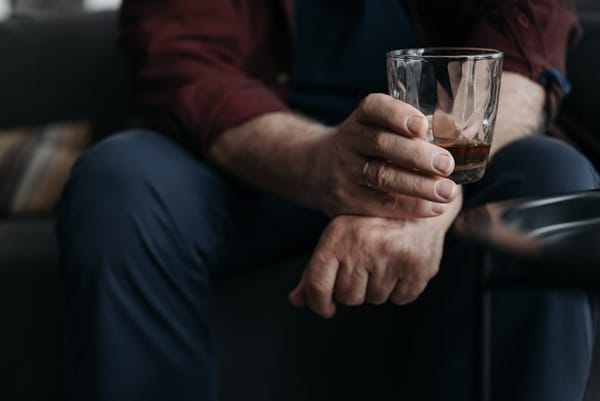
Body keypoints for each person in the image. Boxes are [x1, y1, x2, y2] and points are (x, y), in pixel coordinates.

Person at [57, 0, 599, 400]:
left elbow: (524, 49)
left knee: (555, 178)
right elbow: (186, 63)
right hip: (257, 166)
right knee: (117, 182)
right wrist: (326, 166)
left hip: (448, 156)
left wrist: (423, 199)